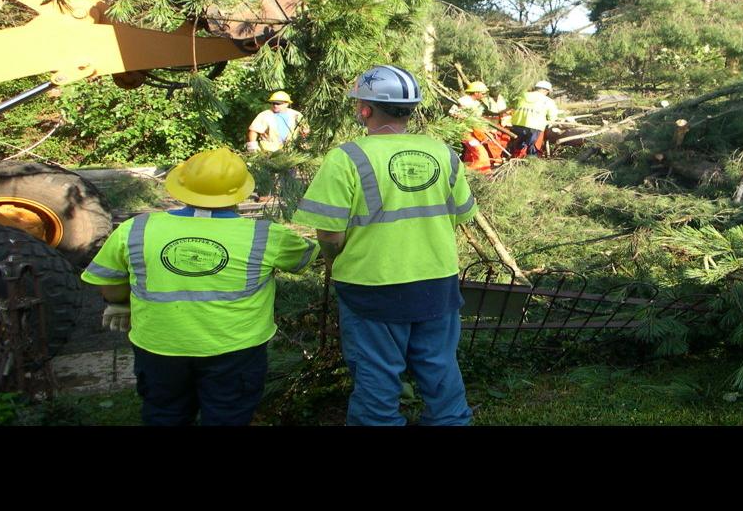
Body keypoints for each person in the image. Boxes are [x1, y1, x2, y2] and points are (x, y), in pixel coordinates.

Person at [292, 64, 477, 426]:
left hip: (371, 285)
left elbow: (329, 234)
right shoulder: (442, 153)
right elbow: (460, 214)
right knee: (440, 368)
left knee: (377, 374)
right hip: (437, 280)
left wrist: (333, 260)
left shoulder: (347, 157)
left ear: (365, 109)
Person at [81, 147, 320, 426]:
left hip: (159, 346)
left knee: (165, 414)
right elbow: (308, 256)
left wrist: (120, 303)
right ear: (240, 192)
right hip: (235, 350)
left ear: (182, 187)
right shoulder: (265, 236)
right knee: (227, 417)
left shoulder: (136, 228)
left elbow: (109, 286)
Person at [508, 80, 558, 157]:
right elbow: (552, 117)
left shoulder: (521, 96)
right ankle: (531, 164)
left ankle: (514, 160)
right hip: (535, 127)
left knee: (517, 145)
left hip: (517, 124)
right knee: (533, 147)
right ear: (546, 90)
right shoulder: (548, 100)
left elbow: (511, 107)